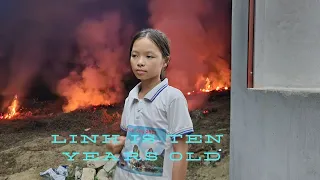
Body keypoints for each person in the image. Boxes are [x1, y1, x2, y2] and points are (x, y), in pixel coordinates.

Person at [107, 28, 194, 180]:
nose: (140, 62)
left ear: (165, 61)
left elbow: (180, 150)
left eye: (149, 56)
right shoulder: (131, 98)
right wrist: (119, 144)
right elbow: (130, 137)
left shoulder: (172, 98)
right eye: (134, 55)